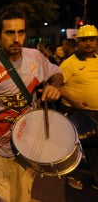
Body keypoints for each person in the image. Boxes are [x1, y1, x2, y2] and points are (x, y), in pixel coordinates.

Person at [0, 4, 62, 202]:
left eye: (21, 32)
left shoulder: (36, 58)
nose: (17, 39)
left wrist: (54, 86)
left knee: (21, 196)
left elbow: (57, 73)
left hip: (26, 144)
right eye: (10, 33)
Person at [59, 25, 98, 191]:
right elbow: (57, 86)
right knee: (75, 147)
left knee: (94, 148)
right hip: (77, 112)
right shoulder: (69, 63)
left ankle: (96, 178)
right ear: (78, 42)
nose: (88, 43)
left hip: (95, 114)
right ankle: (73, 175)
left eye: (92, 39)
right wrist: (74, 100)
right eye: (84, 40)